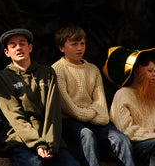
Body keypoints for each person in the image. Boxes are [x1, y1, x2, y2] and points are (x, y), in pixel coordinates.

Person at [51, 25, 134, 166]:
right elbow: (67, 106)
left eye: (82, 43)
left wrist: (91, 114)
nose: (79, 48)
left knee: (121, 139)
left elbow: (101, 105)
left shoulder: (93, 69)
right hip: (69, 121)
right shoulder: (57, 69)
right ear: (62, 48)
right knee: (86, 135)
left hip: (93, 119)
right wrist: (90, 113)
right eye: (74, 44)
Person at [0, 28, 77, 166]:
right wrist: (37, 143)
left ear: (30, 47)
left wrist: (50, 143)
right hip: (20, 140)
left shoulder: (47, 73)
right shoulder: (4, 77)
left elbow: (53, 111)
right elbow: (15, 116)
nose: (19, 48)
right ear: (6, 52)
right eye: (13, 45)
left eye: (22, 43)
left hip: (49, 139)